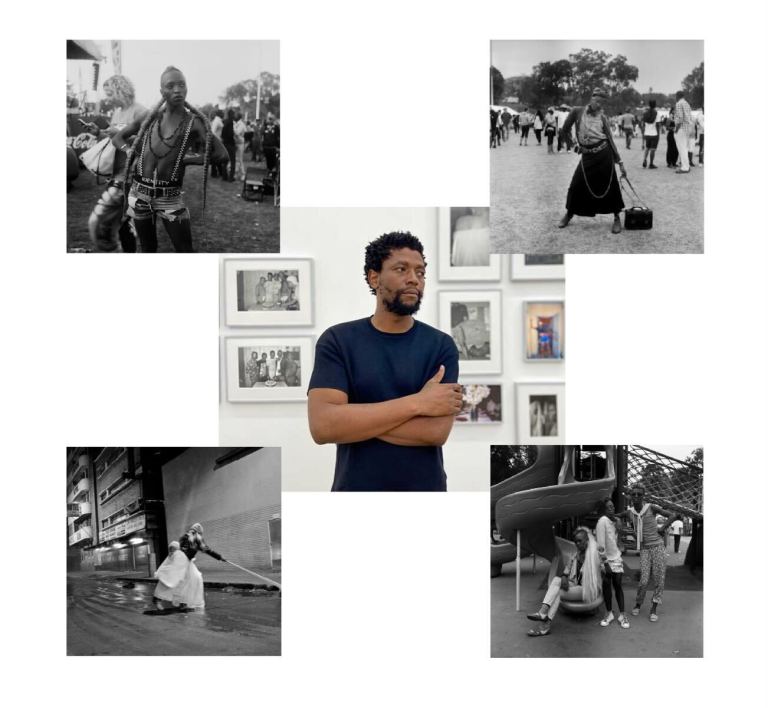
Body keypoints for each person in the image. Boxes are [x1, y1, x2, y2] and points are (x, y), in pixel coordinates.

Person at [307, 231, 461, 492]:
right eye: (401, 269)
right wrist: (419, 403)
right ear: (374, 277)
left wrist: (353, 419)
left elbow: (435, 432)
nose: (414, 279)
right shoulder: (337, 340)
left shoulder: (441, 345)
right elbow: (323, 427)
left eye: (420, 272)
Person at [113, 67, 228, 252]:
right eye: (171, 86)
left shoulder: (194, 122)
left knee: (184, 250)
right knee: (148, 249)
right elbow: (117, 138)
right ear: (161, 92)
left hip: (170, 197)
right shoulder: (149, 117)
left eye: (182, 85)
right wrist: (129, 151)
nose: (177, 90)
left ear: (187, 89)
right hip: (139, 193)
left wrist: (188, 160)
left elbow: (222, 155)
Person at [86, 75, 148, 253]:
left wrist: (121, 133)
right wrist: (99, 132)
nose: (108, 98)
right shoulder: (117, 112)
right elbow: (113, 140)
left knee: (100, 223)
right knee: (122, 226)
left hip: (131, 177)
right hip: (116, 174)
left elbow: (147, 143)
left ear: (121, 91)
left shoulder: (141, 111)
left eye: (110, 93)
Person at [558, 88, 626, 234]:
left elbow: (610, 139)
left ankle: (616, 218)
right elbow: (564, 130)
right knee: (576, 184)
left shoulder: (603, 118)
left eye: (601, 102)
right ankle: (569, 214)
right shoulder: (577, 111)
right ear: (591, 99)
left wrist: (619, 162)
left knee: (611, 186)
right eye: (596, 100)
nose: (598, 104)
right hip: (587, 156)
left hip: (604, 155)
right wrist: (574, 146)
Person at [618, 485, 679, 622]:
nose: (636, 497)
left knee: (659, 579)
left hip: (658, 547)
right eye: (634, 494)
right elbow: (616, 517)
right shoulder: (630, 513)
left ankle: (654, 608)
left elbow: (672, 515)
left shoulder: (651, 508)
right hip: (644, 549)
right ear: (630, 496)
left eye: (639, 494)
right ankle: (638, 603)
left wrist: (662, 528)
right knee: (644, 580)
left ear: (643, 496)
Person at [525, 527, 601, 637]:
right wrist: (564, 577)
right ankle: (543, 615)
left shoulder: (594, 555)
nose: (577, 544)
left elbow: (603, 567)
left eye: (580, 541)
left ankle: (544, 623)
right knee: (556, 580)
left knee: (558, 593)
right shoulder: (575, 555)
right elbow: (566, 571)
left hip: (586, 589)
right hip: (574, 585)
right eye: (576, 542)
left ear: (587, 541)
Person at [153, 524, 225, 611]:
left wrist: (219, 557)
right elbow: (206, 550)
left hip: (187, 561)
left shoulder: (191, 538)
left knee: (193, 579)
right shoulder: (192, 537)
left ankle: (183, 602)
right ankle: (157, 599)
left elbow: (205, 549)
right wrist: (219, 557)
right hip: (180, 560)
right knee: (172, 579)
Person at [595, 499, 630, 629]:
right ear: (604, 510)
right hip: (605, 559)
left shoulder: (613, 521)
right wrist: (605, 564)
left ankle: (622, 615)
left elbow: (617, 540)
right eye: (609, 507)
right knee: (606, 586)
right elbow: (600, 545)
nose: (612, 509)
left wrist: (618, 523)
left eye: (613, 506)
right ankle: (609, 613)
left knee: (618, 584)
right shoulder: (602, 522)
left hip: (616, 557)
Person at [673, 90, 694, 173]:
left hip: (681, 128)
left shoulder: (678, 104)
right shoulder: (686, 103)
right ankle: (687, 166)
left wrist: (676, 129)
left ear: (677, 96)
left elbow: (680, 118)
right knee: (685, 148)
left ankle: (685, 167)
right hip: (688, 128)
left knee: (682, 149)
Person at [641, 99, 661, 169]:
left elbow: (643, 124)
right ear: (655, 105)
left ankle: (644, 160)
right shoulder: (656, 113)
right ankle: (651, 164)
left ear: (649, 104)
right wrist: (658, 134)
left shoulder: (645, 113)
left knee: (647, 148)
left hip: (647, 133)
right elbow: (658, 124)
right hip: (654, 134)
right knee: (653, 149)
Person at [221, 109, 237, 181]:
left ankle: (224, 176)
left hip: (225, 143)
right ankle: (231, 177)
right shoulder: (231, 122)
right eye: (234, 114)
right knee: (233, 161)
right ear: (232, 115)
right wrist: (233, 135)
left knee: (225, 161)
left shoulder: (225, 121)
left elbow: (222, 134)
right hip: (230, 144)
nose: (234, 115)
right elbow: (230, 134)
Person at [233, 111, 247, 181]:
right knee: (236, 159)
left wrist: (232, 128)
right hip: (236, 143)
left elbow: (237, 133)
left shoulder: (241, 124)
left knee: (240, 159)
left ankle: (243, 174)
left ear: (239, 117)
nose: (234, 116)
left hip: (240, 143)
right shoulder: (236, 123)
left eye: (236, 115)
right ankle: (236, 173)